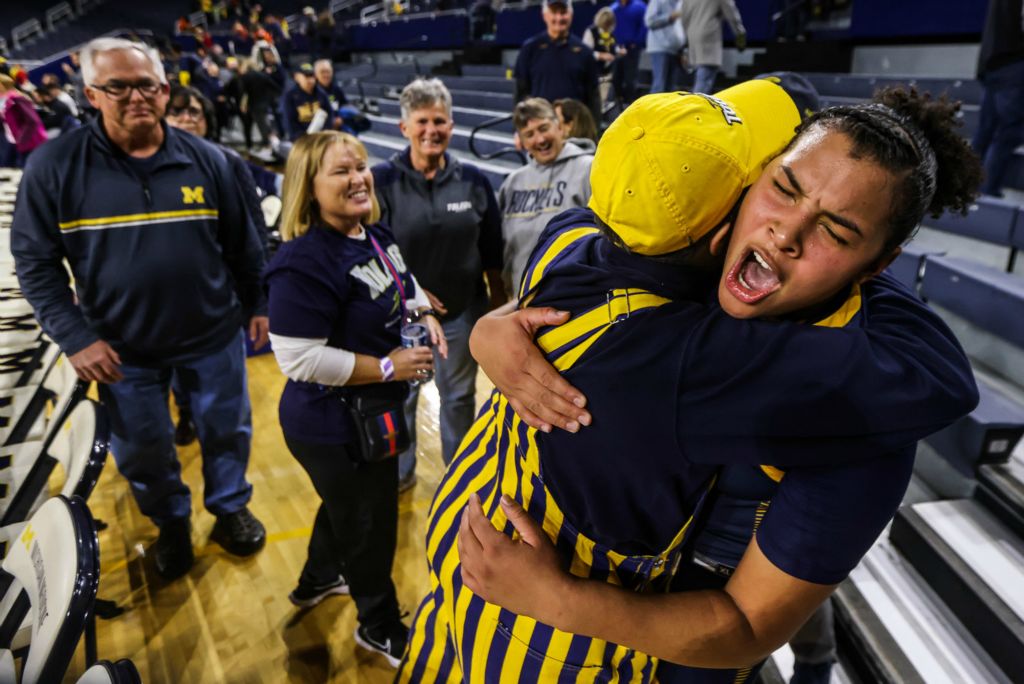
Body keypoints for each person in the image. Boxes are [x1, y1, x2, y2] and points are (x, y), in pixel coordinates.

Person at [397, 81, 982, 682]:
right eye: (783, 187)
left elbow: (750, 626)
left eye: (837, 231)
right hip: (476, 608)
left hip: (655, 655)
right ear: (749, 182)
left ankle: (818, 664)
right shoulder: (679, 269)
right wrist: (494, 326)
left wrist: (559, 602)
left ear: (878, 265)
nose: (786, 232)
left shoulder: (864, 417)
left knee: (806, 631)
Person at [10, 37, 269, 581]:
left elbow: (246, 245)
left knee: (227, 431)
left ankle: (229, 507)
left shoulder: (213, 161)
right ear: (90, 94)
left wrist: (258, 304)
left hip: (212, 332)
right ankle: (172, 524)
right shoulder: (53, 168)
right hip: (122, 348)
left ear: (164, 88)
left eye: (147, 84)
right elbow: (35, 265)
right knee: (145, 451)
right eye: (117, 87)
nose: (135, 97)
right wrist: (75, 337)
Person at [264, 131, 444, 667]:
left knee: (346, 507)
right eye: (340, 172)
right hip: (330, 420)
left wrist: (425, 313)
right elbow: (297, 360)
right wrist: (387, 365)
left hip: (370, 411)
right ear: (309, 187)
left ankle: (320, 578)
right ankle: (378, 624)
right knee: (369, 520)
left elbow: (402, 283)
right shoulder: (302, 261)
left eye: (360, 166)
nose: (358, 178)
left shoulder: (374, 234)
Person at [371, 78, 507, 492]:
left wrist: (497, 306)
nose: (432, 130)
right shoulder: (381, 181)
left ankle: (460, 474)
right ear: (404, 127)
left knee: (460, 397)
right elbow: (371, 251)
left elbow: (492, 250)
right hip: (401, 318)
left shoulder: (474, 180)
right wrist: (411, 293)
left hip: (462, 311)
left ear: (451, 125)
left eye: (441, 121)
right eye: (422, 121)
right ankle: (400, 472)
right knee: (403, 397)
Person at [498, 97, 593, 295]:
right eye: (529, 134)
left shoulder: (589, 169)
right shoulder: (513, 183)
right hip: (522, 301)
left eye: (543, 128)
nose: (540, 140)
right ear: (522, 142)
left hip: (578, 299)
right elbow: (506, 250)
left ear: (559, 127)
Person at [514, 0, 602, 125]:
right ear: (544, 15)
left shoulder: (585, 52)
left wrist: (595, 132)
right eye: (554, 12)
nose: (559, 18)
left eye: (563, 12)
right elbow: (520, 94)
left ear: (571, 15)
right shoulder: (530, 49)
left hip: (574, 129)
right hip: (542, 128)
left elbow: (594, 98)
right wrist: (519, 129)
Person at [972, 0, 1024, 197]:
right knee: (1008, 132)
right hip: (1012, 66)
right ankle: (988, 191)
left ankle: (968, 185)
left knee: (985, 131)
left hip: (989, 65)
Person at [681, 0, 746, 94]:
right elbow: (732, 14)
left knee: (700, 76)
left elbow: (684, 18)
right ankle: (696, 106)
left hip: (692, 36)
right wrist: (740, 35)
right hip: (708, 37)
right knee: (704, 80)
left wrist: (688, 37)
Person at [280, 62, 335, 143]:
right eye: (306, 76)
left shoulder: (321, 94)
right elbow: (289, 121)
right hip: (300, 139)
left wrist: (324, 132)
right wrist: (302, 137)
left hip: (321, 137)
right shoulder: (290, 96)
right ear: (297, 77)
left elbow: (329, 114)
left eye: (312, 76)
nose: (310, 80)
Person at [0, 75, 47, 168]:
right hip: (13, 142)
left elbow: (33, 120)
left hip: (30, 142)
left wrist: (21, 139)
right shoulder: (4, 100)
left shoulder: (16, 98)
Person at [611, 0, 648, 105]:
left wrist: (637, 42)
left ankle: (630, 105)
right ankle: (617, 104)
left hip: (632, 49)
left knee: (630, 80)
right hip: (616, 49)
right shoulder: (613, 8)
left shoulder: (640, 7)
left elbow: (644, 26)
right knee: (615, 79)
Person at [581, 7, 618, 109]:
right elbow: (585, 52)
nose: (607, 27)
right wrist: (600, 55)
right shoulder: (591, 32)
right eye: (606, 24)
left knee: (602, 101)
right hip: (593, 72)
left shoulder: (610, 33)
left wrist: (618, 51)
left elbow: (612, 48)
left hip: (607, 73)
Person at [645, 0, 685, 93]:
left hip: (675, 50)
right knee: (659, 86)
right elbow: (649, 21)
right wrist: (669, 17)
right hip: (660, 48)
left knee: (670, 89)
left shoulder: (681, 3)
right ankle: (653, 108)